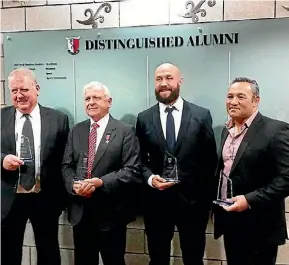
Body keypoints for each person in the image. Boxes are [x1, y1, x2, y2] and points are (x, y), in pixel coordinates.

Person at [136, 63, 218, 265]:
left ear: (179, 81)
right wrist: (150, 178)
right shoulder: (144, 118)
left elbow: (210, 161)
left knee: (193, 258)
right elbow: (138, 159)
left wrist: (206, 201)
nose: (164, 83)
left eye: (169, 78)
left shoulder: (201, 115)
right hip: (156, 203)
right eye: (158, 79)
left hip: (193, 204)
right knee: (157, 258)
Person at [62, 81, 141, 265]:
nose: (91, 102)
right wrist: (73, 185)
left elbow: (131, 170)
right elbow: (66, 166)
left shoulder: (124, 131)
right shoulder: (76, 130)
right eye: (87, 98)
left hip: (111, 214)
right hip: (81, 212)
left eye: (96, 97)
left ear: (109, 101)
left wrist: (100, 182)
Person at [213, 77, 289, 265]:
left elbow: (287, 178)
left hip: (261, 226)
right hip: (230, 221)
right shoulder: (226, 131)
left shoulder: (276, 130)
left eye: (241, 96)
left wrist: (248, 200)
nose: (233, 101)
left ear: (256, 101)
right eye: (230, 96)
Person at [1, 68, 69, 265]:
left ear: (37, 88)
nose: (19, 95)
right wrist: (2, 160)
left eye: (24, 89)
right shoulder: (0, 117)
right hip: (9, 198)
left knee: (48, 251)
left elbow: (64, 160)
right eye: (13, 91)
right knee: (8, 252)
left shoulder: (58, 119)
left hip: (46, 198)